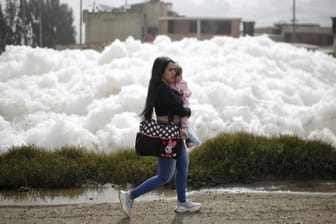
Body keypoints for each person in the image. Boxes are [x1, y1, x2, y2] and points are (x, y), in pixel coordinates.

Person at [119, 56, 201, 218]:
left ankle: (182, 203)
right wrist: (187, 111)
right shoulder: (163, 89)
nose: (173, 72)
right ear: (161, 71)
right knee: (165, 176)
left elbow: (178, 108)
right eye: (170, 70)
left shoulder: (165, 87)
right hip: (168, 134)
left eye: (174, 69)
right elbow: (182, 110)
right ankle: (129, 195)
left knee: (183, 165)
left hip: (175, 132)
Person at [170, 63, 201, 149]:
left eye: (180, 75)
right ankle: (188, 138)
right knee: (184, 121)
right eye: (177, 76)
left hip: (184, 105)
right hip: (177, 107)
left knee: (184, 120)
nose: (180, 78)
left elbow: (189, 93)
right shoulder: (171, 84)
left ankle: (187, 137)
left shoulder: (184, 83)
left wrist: (183, 93)